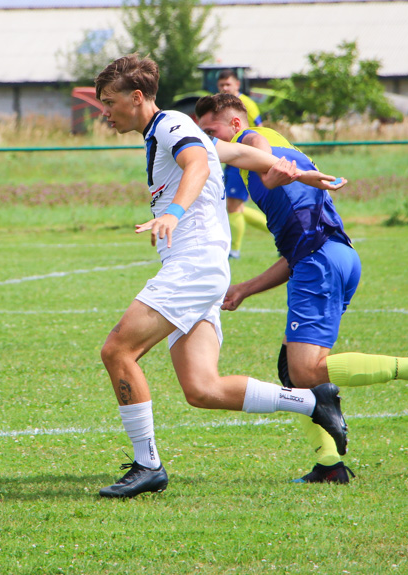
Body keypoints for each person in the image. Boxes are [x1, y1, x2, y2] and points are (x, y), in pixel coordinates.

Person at [93, 55, 349, 499]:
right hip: (199, 268)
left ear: (137, 98)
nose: (105, 111)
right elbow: (240, 154)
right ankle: (314, 401)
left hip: (193, 267)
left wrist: (172, 214)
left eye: (109, 102)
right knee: (202, 389)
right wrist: (297, 171)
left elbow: (199, 165)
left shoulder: (171, 124)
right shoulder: (169, 132)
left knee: (118, 350)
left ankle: (147, 464)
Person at [195, 93, 408, 484]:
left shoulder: (253, 139)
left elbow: (259, 153)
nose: (207, 139)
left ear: (234, 124)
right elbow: (296, 252)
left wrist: (268, 173)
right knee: (295, 372)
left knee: (305, 369)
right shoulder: (283, 148)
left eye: (211, 130)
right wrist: (246, 288)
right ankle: (329, 464)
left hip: (320, 263)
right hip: (334, 258)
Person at [217, 69, 267, 259]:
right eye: (221, 85)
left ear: (237, 85)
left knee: (234, 206)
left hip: (243, 159)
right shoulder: (220, 105)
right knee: (235, 207)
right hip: (231, 159)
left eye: (228, 84)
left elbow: (260, 130)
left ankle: (234, 251)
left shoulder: (247, 104)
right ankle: (279, 232)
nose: (224, 88)